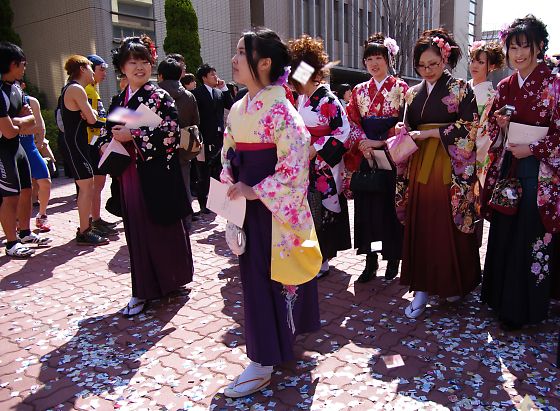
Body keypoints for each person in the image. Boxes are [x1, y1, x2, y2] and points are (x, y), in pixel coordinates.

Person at [221, 28, 321, 398]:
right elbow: (228, 150)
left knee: (270, 280)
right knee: (255, 281)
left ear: (263, 63)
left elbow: (295, 168)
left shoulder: (282, 109)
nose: (233, 60)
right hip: (249, 205)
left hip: (273, 211)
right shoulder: (238, 107)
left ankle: (263, 361)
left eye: (240, 53)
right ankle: (269, 351)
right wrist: (230, 172)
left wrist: (255, 189)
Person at [101, 35, 193, 317]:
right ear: (122, 67)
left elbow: (172, 132)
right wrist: (107, 140)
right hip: (130, 173)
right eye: (133, 62)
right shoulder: (120, 98)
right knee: (139, 230)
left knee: (163, 228)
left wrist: (135, 134)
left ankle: (172, 280)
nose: (140, 67)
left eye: (144, 62)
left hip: (156, 171)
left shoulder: (158, 96)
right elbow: (109, 129)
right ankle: (143, 290)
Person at [481, 15, 560, 330]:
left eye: (525, 46)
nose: (518, 54)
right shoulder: (505, 85)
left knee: (531, 235)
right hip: (510, 165)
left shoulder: (555, 82)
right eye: (513, 47)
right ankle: (500, 300)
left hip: (540, 171)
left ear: (540, 46)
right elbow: (492, 126)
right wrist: (499, 125)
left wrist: (536, 149)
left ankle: (523, 309)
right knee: (505, 231)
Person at [395, 29, 481, 318]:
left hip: (449, 165)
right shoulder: (412, 92)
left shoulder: (460, 89)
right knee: (422, 224)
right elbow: (407, 127)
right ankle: (421, 289)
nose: (428, 70)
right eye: (422, 66)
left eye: (433, 64)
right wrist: (402, 132)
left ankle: (451, 283)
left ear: (445, 59)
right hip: (421, 165)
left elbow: (470, 128)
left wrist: (433, 135)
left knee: (446, 226)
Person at [345, 33, 408, 282]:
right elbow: (351, 121)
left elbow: (404, 121)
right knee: (367, 211)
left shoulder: (400, 88)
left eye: (378, 57)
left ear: (388, 59)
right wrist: (362, 143)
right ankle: (370, 262)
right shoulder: (360, 90)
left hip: (391, 154)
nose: (373, 63)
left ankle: (393, 260)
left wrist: (380, 141)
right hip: (367, 155)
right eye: (369, 58)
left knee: (390, 209)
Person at [288, 34, 351, 278]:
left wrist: (317, 147)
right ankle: (310, 254)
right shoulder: (303, 98)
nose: (296, 86)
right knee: (307, 208)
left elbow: (342, 131)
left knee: (323, 207)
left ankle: (323, 258)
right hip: (306, 161)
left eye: (299, 80)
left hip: (323, 163)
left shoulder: (328, 99)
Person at [0, 41, 46, 257]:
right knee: (9, 197)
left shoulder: (16, 88)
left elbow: (32, 123)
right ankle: (11, 243)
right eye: (23, 64)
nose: (24, 68)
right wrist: (21, 121)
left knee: (27, 190)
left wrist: (18, 121)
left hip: (17, 147)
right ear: (12, 64)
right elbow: (8, 130)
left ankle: (25, 232)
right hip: (3, 149)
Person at [59, 55, 109, 245]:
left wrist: (90, 113)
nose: (92, 72)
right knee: (87, 187)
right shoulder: (76, 89)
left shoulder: (74, 89)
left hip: (78, 145)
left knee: (86, 188)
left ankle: (85, 227)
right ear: (82, 69)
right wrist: (90, 113)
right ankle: (84, 231)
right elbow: (92, 118)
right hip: (75, 146)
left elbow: (91, 115)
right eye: (90, 68)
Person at [158, 57, 200, 229]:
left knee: (161, 187)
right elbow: (195, 121)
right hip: (183, 146)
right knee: (184, 184)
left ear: (160, 75)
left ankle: (164, 222)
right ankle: (185, 222)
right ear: (180, 75)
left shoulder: (154, 94)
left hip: (158, 148)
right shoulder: (189, 96)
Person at [191, 63, 234, 214]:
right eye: (212, 75)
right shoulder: (197, 93)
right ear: (204, 78)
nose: (216, 77)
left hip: (219, 138)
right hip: (204, 138)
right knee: (203, 172)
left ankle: (216, 202)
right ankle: (203, 203)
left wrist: (224, 88)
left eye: (216, 74)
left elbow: (231, 105)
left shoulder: (219, 93)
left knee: (218, 171)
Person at [85, 54, 119, 236]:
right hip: (92, 145)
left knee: (98, 184)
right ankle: (93, 221)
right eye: (101, 69)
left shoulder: (92, 90)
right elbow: (92, 120)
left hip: (96, 143)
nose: (104, 73)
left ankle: (96, 218)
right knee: (95, 185)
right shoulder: (88, 91)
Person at [468, 41, 505, 189]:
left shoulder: (492, 97)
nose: (474, 66)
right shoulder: (461, 88)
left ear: (491, 66)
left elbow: (485, 133)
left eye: (480, 62)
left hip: (473, 152)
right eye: (472, 61)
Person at [19, 93, 52, 232]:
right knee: (18, 189)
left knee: (45, 181)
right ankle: (17, 222)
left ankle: (42, 215)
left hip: (29, 147)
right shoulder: (4, 101)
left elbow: (39, 126)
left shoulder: (31, 101)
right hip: (12, 149)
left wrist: (16, 127)